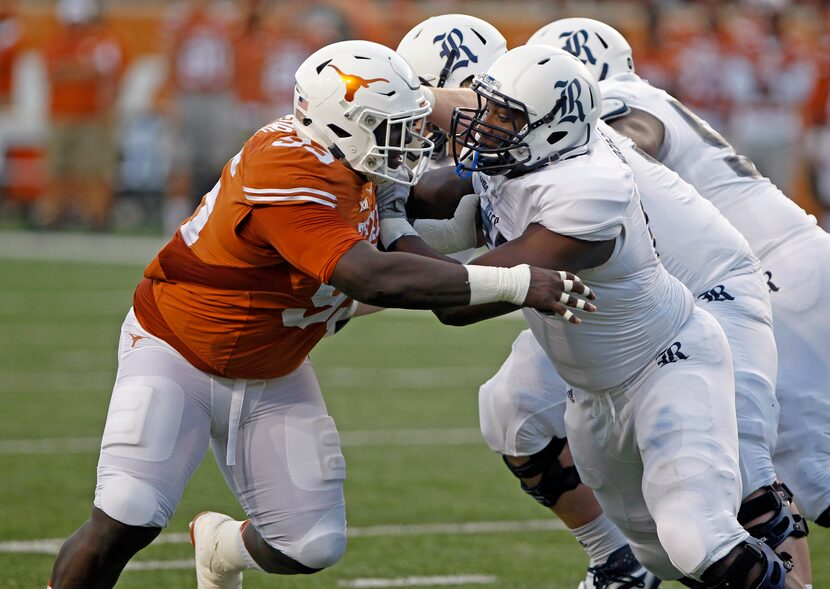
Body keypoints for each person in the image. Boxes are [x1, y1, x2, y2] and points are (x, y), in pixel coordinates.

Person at [45, 40, 593, 589]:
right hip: (178, 352)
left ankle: (219, 547)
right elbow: (372, 277)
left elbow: (427, 198)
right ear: (344, 124)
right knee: (127, 513)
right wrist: (517, 281)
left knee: (310, 545)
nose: (405, 142)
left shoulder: (346, 150)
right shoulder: (285, 168)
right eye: (390, 127)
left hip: (272, 366)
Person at [398, 44, 794, 588]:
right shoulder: (530, 146)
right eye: (489, 109)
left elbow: (458, 303)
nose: (486, 125)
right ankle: (618, 568)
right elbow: (433, 188)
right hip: (594, 392)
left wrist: (383, 239)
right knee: (657, 558)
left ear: (551, 130)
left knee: (698, 537)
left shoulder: (588, 190)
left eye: (503, 116)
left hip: (668, 363)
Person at [533, 16, 829, 584]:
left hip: (768, 278)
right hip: (780, 269)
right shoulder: (635, 93)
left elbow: (638, 133)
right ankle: (617, 564)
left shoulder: (616, 105)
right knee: (518, 407)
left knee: (772, 473)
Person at [39, 0, 123, 230]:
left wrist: (75, 70)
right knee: (58, 169)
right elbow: (54, 72)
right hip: (63, 115)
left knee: (92, 170)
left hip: (92, 116)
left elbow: (109, 76)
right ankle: (52, 216)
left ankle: (95, 217)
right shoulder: (57, 42)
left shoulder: (102, 41)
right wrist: (85, 70)